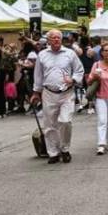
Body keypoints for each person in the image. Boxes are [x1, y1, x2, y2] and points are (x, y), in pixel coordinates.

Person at [30, 29, 85, 164]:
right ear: (48, 40)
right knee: (50, 125)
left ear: (61, 40)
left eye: (58, 38)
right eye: (53, 37)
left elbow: (79, 70)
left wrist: (73, 79)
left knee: (65, 121)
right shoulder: (42, 55)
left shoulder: (70, 53)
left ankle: (65, 149)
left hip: (67, 93)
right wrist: (36, 92)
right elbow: (38, 75)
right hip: (48, 93)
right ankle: (53, 152)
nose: (56, 40)